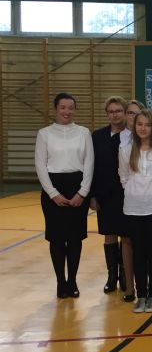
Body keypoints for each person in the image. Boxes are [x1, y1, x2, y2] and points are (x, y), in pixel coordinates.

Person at [35, 92, 94, 299]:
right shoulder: (44, 134)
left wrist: (83, 192)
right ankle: (61, 282)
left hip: (77, 188)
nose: (66, 111)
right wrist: (53, 193)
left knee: (75, 239)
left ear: (75, 110)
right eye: (62, 107)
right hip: (53, 189)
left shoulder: (84, 133)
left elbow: (89, 164)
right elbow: (40, 165)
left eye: (70, 108)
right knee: (57, 239)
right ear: (56, 109)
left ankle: (72, 281)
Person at [119, 110, 152, 314]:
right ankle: (141, 295)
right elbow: (124, 178)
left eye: (147, 125)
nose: (143, 128)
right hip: (133, 209)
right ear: (135, 126)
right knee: (138, 252)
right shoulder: (126, 150)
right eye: (139, 124)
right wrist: (136, 193)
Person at [90, 96, 131, 296]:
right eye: (111, 111)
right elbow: (91, 167)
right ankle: (111, 275)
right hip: (104, 194)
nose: (115, 115)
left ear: (125, 112)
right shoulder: (97, 136)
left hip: (126, 194)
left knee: (126, 235)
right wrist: (92, 195)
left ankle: (124, 274)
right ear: (107, 114)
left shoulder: (131, 136)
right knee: (109, 235)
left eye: (118, 111)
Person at [117, 99, 144, 302]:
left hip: (143, 198)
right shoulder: (115, 139)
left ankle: (144, 285)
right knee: (125, 240)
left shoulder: (151, 141)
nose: (133, 117)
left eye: (137, 113)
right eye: (130, 113)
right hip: (119, 195)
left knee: (143, 243)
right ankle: (126, 284)